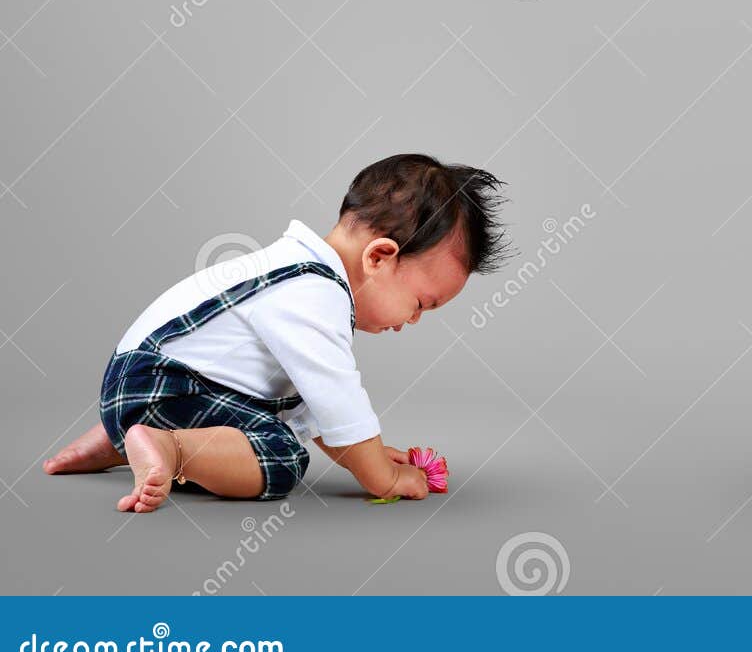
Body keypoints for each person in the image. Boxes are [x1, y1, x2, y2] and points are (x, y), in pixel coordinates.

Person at [44, 153, 511, 513]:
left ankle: (118, 437)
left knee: (276, 420)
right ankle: (169, 443)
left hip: (151, 380)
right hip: (166, 383)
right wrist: (382, 479)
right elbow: (337, 398)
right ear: (379, 257)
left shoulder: (298, 274)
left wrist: (366, 453)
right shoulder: (315, 291)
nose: (412, 321)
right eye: (421, 304)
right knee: (282, 457)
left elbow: (311, 407)